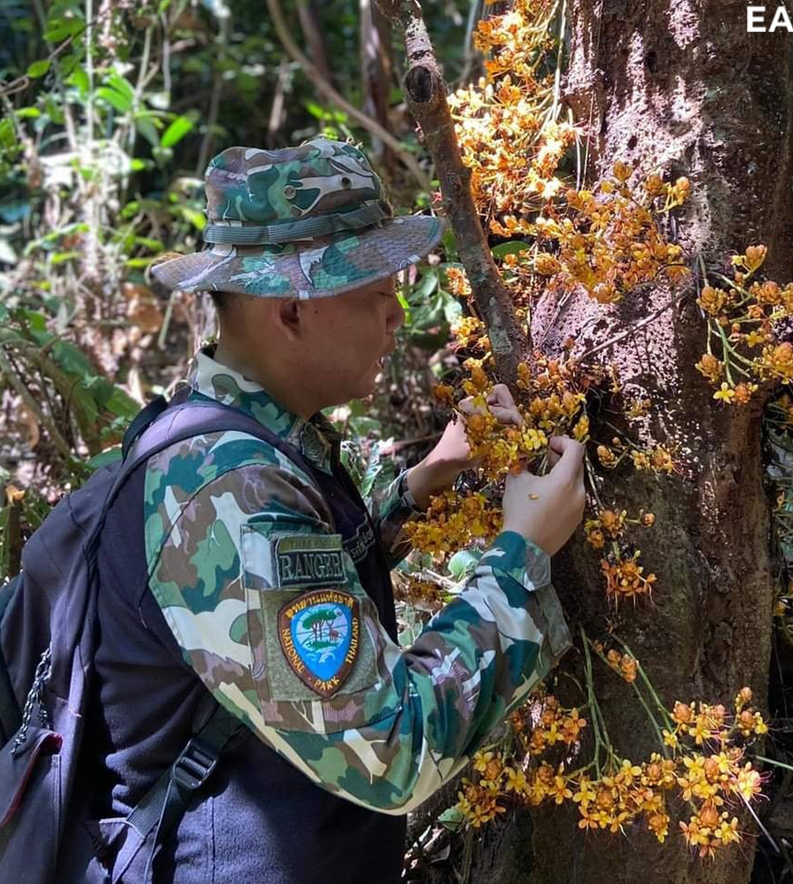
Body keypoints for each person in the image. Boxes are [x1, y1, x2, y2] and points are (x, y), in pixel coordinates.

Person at [70, 136, 585, 883]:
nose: (397, 315)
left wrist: (419, 488)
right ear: (290, 312)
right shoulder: (230, 492)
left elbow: (286, 586)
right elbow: (393, 750)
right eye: (375, 292)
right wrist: (517, 559)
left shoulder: (231, 439)